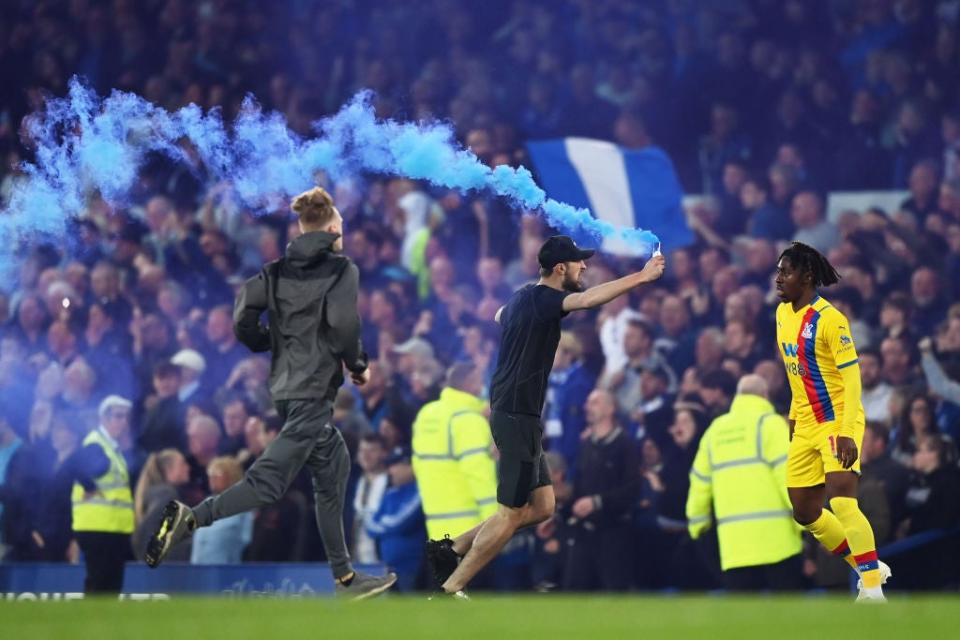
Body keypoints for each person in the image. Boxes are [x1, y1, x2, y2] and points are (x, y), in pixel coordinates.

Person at [146, 186, 396, 599]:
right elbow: (345, 324)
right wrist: (358, 364)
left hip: (285, 388)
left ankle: (346, 579)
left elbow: (243, 310)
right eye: (342, 227)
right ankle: (191, 518)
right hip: (313, 390)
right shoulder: (340, 269)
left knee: (333, 465)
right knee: (269, 483)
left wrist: (267, 341)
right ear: (333, 228)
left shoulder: (275, 270)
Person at [429, 235, 665, 597]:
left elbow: (498, 314)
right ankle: (451, 586)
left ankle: (452, 548)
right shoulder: (545, 300)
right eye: (578, 262)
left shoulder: (523, 297)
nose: (584, 266)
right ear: (560, 268)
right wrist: (641, 277)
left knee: (542, 507)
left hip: (517, 415)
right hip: (516, 415)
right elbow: (587, 299)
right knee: (511, 513)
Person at [774, 242, 890, 601]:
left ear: (807, 276)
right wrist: (794, 414)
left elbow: (852, 379)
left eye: (786, 272)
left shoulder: (831, 320)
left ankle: (872, 589)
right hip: (806, 422)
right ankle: (866, 566)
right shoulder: (782, 315)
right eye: (778, 271)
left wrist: (845, 431)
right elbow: (797, 373)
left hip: (838, 419)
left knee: (842, 501)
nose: (778, 279)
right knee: (805, 512)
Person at [687, 375, 803, 591]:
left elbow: (699, 483)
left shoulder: (715, 431)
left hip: (734, 548)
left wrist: (698, 526)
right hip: (779, 544)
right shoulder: (771, 425)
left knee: (743, 621)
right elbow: (790, 477)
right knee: (787, 620)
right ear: (765, 396)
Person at [412, 361, 497, 589]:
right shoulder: (468, 421)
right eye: (480, 380)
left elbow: (420, 466)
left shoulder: (427, 414)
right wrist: (497, 527)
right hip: (471, 530)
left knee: (442, 608)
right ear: (469, 383)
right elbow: (480, 477)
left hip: (436, 525)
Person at [71, 395, 135, 594]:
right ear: (104, 419)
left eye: (126, 417)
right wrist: (89, 485)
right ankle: (91, 624)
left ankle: (102, 624)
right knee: (101, 583)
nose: (123, 422)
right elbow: (73, 466)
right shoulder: (96, 444)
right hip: (98, 526)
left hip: (112, 527)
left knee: (110, 584)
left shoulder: (111, 448)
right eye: (118, 416)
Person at [366, 446, 427, 592]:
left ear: (410, 466)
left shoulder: (420, 490)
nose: (390, 471)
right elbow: (370, 525)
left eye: (395, 465)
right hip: (387, 567)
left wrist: (384, 523)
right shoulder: (390, 494)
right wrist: (387, 525)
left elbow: (403, 522)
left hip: (411, 567)